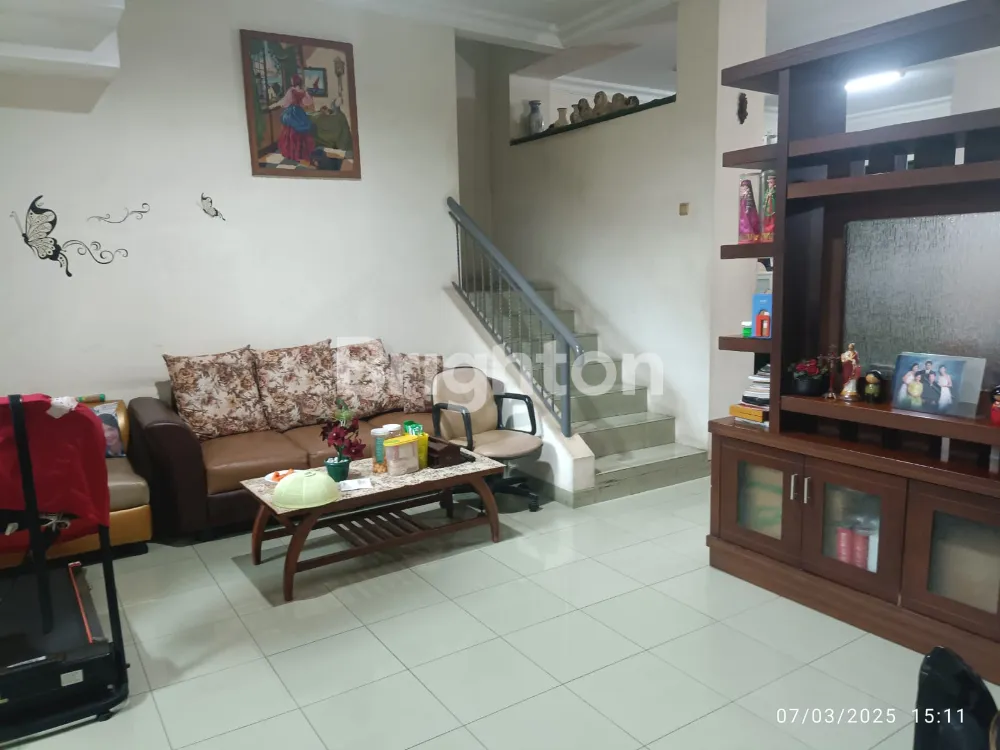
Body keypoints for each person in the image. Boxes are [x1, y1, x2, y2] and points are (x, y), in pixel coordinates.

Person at [277, 74, 315, 162]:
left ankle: (291, 153)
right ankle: (301, 153)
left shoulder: (291, 91)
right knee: (300, 133)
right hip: (299, 112)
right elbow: (308, 102)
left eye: (292, 80)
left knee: (290, 132)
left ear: (293, 81)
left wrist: (280, 104)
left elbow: (285, 103)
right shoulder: (303, 92)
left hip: (291, 112)